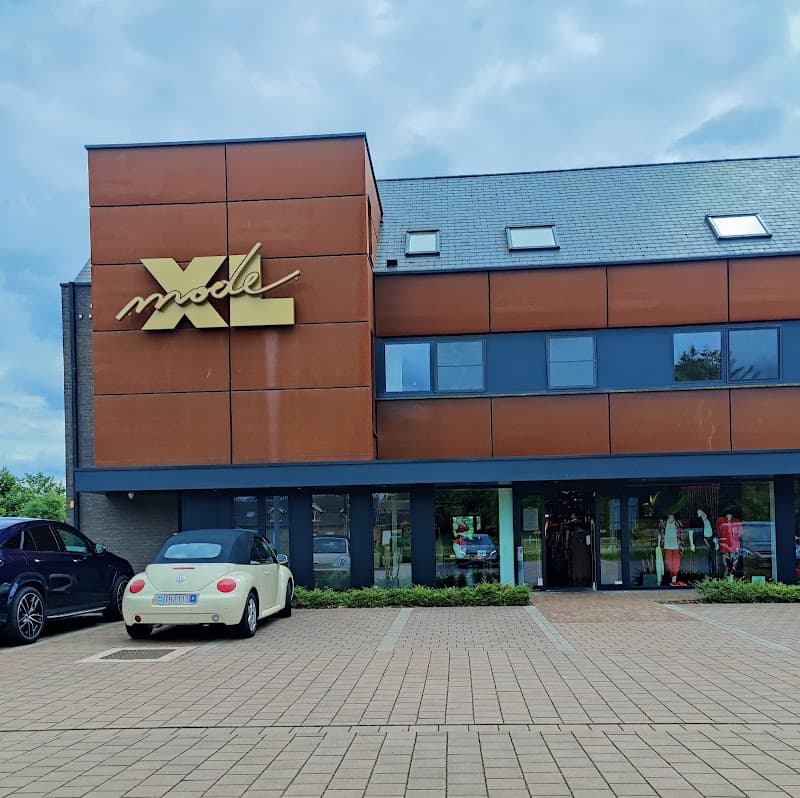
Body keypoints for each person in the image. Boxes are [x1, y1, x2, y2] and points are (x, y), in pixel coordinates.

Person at [716, 511, 743, 578]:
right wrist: (717, 542)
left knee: (734, 563)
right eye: (728, 514)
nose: (729, 516)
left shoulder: (737, 521)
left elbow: (740, 533)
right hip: (724, 545)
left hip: (734, 545)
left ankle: (732, 578)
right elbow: (718, 532)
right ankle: (726, 578)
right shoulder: (721, 521)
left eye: (730, 514)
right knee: (725, 564)